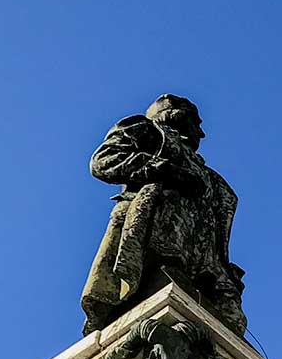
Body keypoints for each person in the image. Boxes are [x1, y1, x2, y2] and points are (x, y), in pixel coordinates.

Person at [81, 95, 247, 336]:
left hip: (202, 259)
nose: (201, 133)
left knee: (231, 315)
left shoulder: (211, 177)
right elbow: (103, 161)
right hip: (155, 233)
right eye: (196, 122)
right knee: (154, 283)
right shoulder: (149, 132)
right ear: (174, 114)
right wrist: (165, 169)